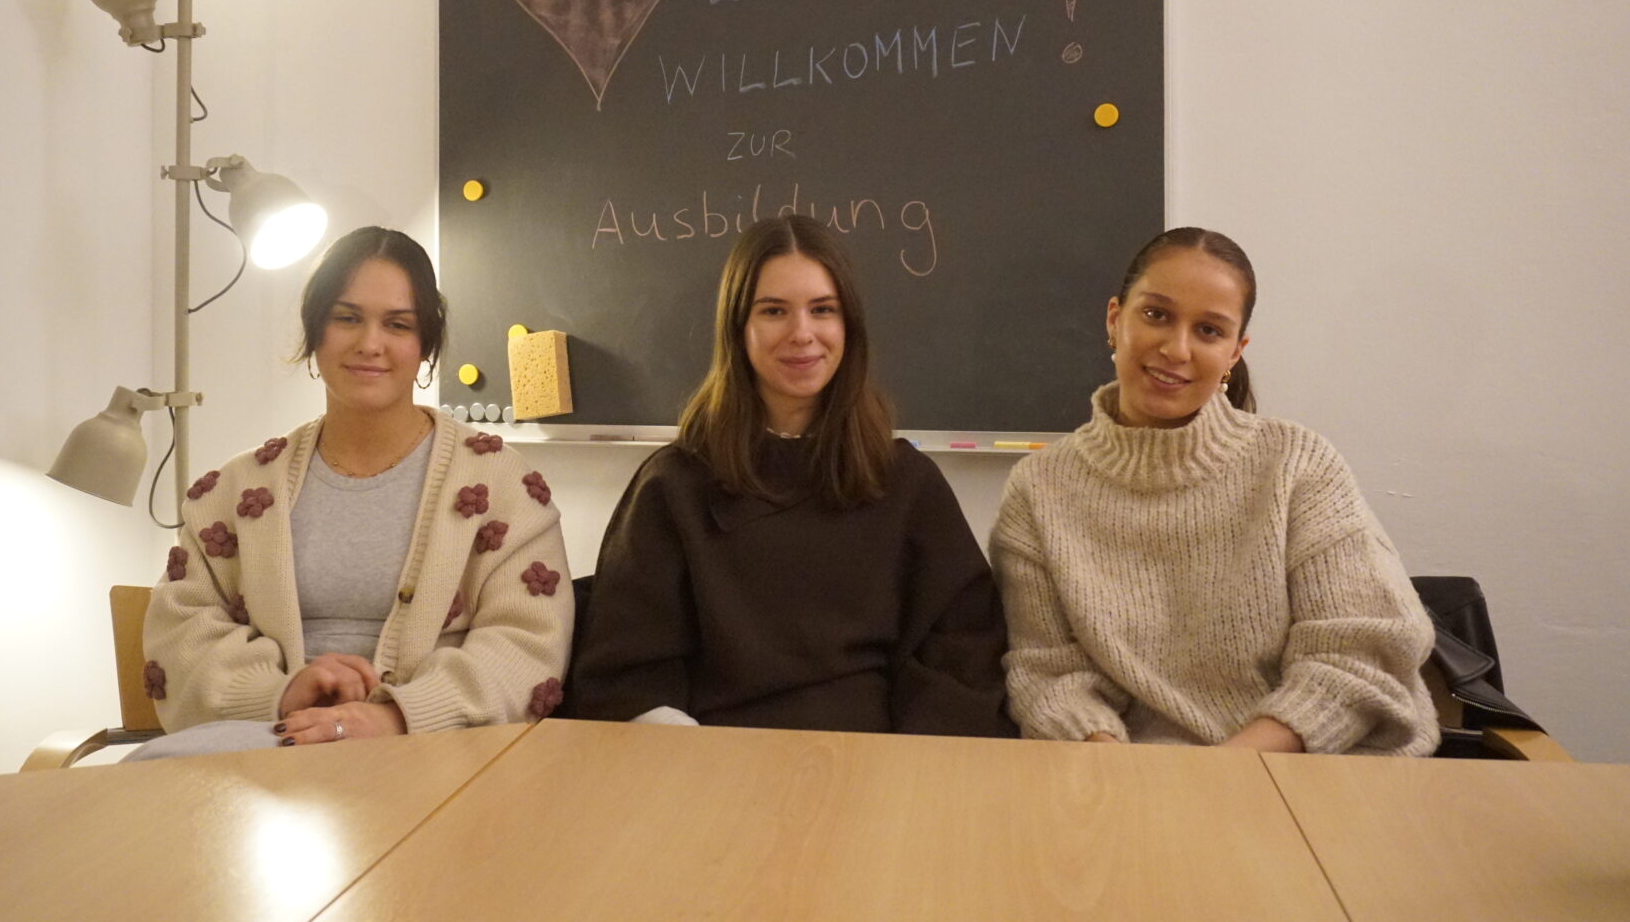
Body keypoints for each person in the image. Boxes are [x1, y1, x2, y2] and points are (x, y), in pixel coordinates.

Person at [989, 227, 1437, 754]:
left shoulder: (1297, 465)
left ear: (1234, 352)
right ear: (1114, 319)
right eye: (1156, 315)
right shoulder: (1039, 489)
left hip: (1314, 769)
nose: (1176, 349)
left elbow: (1358, 655)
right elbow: (1048, 675)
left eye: (1208, 330)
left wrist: (1218, 778)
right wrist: (1116, 771)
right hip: (1129, 778)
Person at [136, 226, 573, 758]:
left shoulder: (502, 487)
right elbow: (182, 632)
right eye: (346, 318)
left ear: (425, 345)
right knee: (145, 774)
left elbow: (527, 645)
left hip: (437, 754)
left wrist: (397, 718)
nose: (370, 343)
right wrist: (280, 693)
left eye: (398, 324)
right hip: (268, 745)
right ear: (314, 331)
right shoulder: (236, 491)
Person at [572, 216, 1013, 736]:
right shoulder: (673, 485)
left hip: (879, 760)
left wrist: (907, 762)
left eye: (822, 309)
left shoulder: (907, 482)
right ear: (739, 329)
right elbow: (627, 673)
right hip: (717, 758)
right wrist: (699, 761)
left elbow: (963, 650)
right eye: (774, 311)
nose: (802, 334)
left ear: (848, 326)